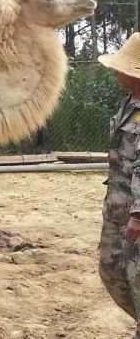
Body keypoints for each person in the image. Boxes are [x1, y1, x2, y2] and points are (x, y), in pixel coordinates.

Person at [99, 32, 140, 338]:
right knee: (111, 270)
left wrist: (138, 215)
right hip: (117, 208)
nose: (115, 71)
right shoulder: (128, 102)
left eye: (122, 67)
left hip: (135, 214)